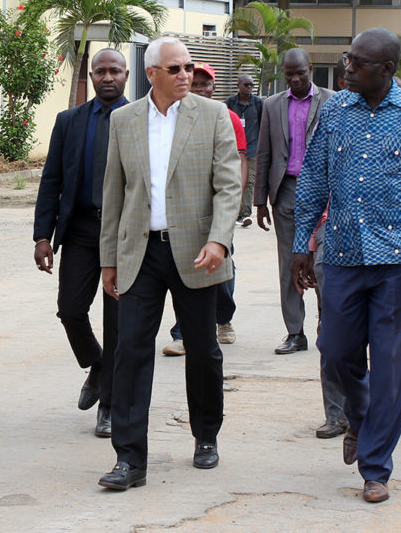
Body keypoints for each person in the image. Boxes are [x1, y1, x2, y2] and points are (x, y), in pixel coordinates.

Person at [292, 28, 401, 504]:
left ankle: (376, 466)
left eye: (358, 63)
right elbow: (313, 180)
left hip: (395, 259)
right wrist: (302, 243)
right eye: (347, 59)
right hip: (342, 253)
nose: (347, 68)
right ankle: (361, 421)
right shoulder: (336, 112)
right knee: (336, 350)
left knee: (390, 366)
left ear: (386, 70)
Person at [97, 37, 241, 490]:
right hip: (140, 251)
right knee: (131, 351)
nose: (186, 76)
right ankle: (129, 459)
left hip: (198, 252)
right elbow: (114, 193)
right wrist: (108, 260)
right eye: (175, 69)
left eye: (188, 68)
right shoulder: (124, 120)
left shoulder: (213, 115)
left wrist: (219, 240)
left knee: (202, 348)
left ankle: (205, 436)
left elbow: (228, 186)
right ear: (152, 74)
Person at [33, 48, 128, 437]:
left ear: (126, 75)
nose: (107, 77)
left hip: (124, 235)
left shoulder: (139, 119)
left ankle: (108, 407)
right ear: (91, 76)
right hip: (81, 231)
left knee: (118, 322)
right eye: (100, 71)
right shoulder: (69, 121)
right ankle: (98, 363)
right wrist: (43, 235)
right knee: (70, 309)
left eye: (114, 71)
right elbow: (51, 179)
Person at [255, 48, 333, 357]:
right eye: (290, 74)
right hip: (286, 190)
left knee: (324, 264)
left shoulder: (331, 101)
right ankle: (295, 332)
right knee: (290, 263)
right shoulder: (272, 106)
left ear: (310, 69)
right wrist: (260, 201)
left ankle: (327, 327)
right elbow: (264, 154)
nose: (296, 79)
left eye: (301, 72)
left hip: (325, 193)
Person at [163, 62, 244, 354]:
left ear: (213, 86)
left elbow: (239, 164)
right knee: (183, 269)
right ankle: (182, 333)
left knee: (221, 270)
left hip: (218, 211)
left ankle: (224, 318)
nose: (199, 89)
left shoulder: (227, 117)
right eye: (194, 84)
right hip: (184, 213)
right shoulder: (170, 118)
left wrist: (235, 207)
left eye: (204, 84)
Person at [227, 74, 262, 228]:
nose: (249, 88)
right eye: (246, 85)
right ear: (238, 85)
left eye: (251, 85)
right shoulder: (229, 103)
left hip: (252, 148)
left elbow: (263, 124)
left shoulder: (259, 104)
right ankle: (234, 212)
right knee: (233, 179)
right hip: (233, 148)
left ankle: (246, 214)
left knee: (249, 180)